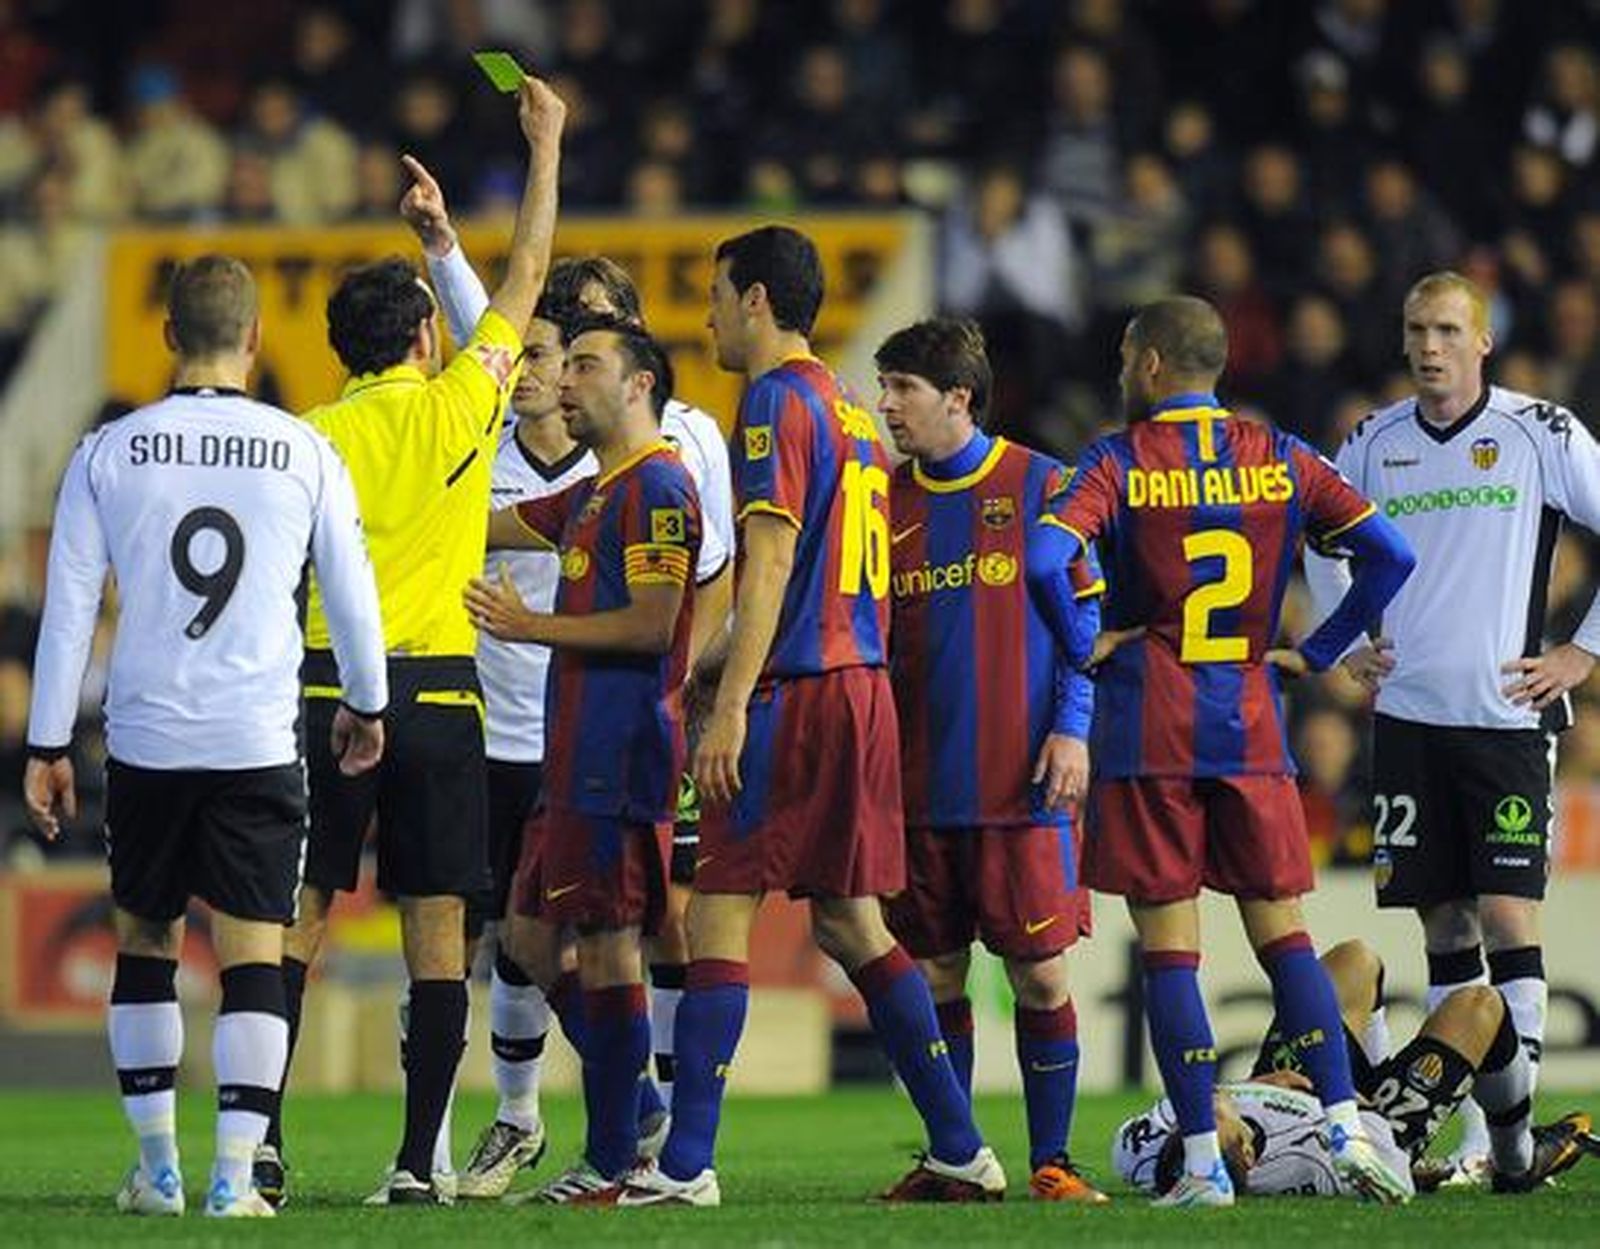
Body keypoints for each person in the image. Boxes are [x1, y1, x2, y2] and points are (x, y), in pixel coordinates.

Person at [620, 226, 1000, 1207]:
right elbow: (808, 581)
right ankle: (961, 1143)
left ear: (755, 300)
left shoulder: (772, 402)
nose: (703, 314)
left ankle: (686, 1164)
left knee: (716, 910)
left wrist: (729, 706)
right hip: (858, 685)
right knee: (849, 921)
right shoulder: (848, 410)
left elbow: (776, 563)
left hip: (800, 692)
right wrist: (711, 665)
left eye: (713, 294)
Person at [22, 254, 387, 1218]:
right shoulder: (304, 448)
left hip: (147, 738)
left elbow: (68, 610)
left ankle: (159, 1169)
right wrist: (369, 701)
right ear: (257, 341)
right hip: (256, 738)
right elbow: (350, 592)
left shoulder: (110, 449)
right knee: (252, 952)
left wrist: (46, 744)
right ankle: (235, 1173)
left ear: (170, 338)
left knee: (146, 937)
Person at [1033, 295, 1417, 1206]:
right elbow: (1391, 556)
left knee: (1171, 954)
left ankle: (1204, 1163)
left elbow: (1048, 561)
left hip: (1151, 733)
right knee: (1285, 936)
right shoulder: (1279, 457)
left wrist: (1080, 640)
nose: (1124, 370)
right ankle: (1346, 1130)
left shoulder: (1117, 460)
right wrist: (1318, 652)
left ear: (1154, 365)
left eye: (1130, 356)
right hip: (1249, 728)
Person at [263, 75, 565, 1208]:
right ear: (428, 336)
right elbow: (529, 277)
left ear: (337, 348)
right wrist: (544, 146)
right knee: (439, 933)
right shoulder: (459, 407)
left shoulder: (304, 437)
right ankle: (412, 1162)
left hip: (317, 687)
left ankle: (265, 1143)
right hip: (439, 694)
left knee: (293, 923)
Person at [1304, 269, 1600, 1183]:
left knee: (1511, 911)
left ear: (1483, 342)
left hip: (1506, 718)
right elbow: (1318, 540)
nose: (1428, 347)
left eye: (1445, 330)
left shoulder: (1539, 433)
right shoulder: (1371, 442)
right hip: (1407, 720)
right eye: (1415, 331)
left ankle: (1498, 1143)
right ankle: (1466, 1124)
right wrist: (1343, 642)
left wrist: (1583, 654)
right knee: (1443, 923)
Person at [465, 315, 701, 1202]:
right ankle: (634, 1104)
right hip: (570, 758)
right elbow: (488, 525)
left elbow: (652, 623)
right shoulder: (596, 493)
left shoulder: (658, 488)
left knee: (604, 943)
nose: (566, 378)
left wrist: (532, 627)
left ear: (639, 384)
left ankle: (611, 1159)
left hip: (620, 751)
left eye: (587, 364)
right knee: (526, 937)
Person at [875, 317, 1107, 1202]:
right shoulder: (884, 502)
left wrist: (1075, 725)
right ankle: (954, 1154)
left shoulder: (1044, 485)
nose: (888, 405)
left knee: (1039, 970)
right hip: (918, 785)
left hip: (1025, 780)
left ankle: (1053, 1159)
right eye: (884, 385)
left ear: (958, 399)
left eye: (904, 388)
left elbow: (1089, 623)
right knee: (934, 971)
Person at [1113, 939, 1600, 1198]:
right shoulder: (1308, 1165)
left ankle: (1375, 1064)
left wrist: (1246, 1085)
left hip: (1297, 1076)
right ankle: (1517, 1161)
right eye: (1219, 1112)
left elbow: (1128, 1140)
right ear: (1247, 1154)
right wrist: (1371, 1124)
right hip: (1373, 1121)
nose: (1214, 1101)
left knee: (1353, 960)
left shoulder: (1151, 1153)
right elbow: (1393, 1177)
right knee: (1480, 1006)